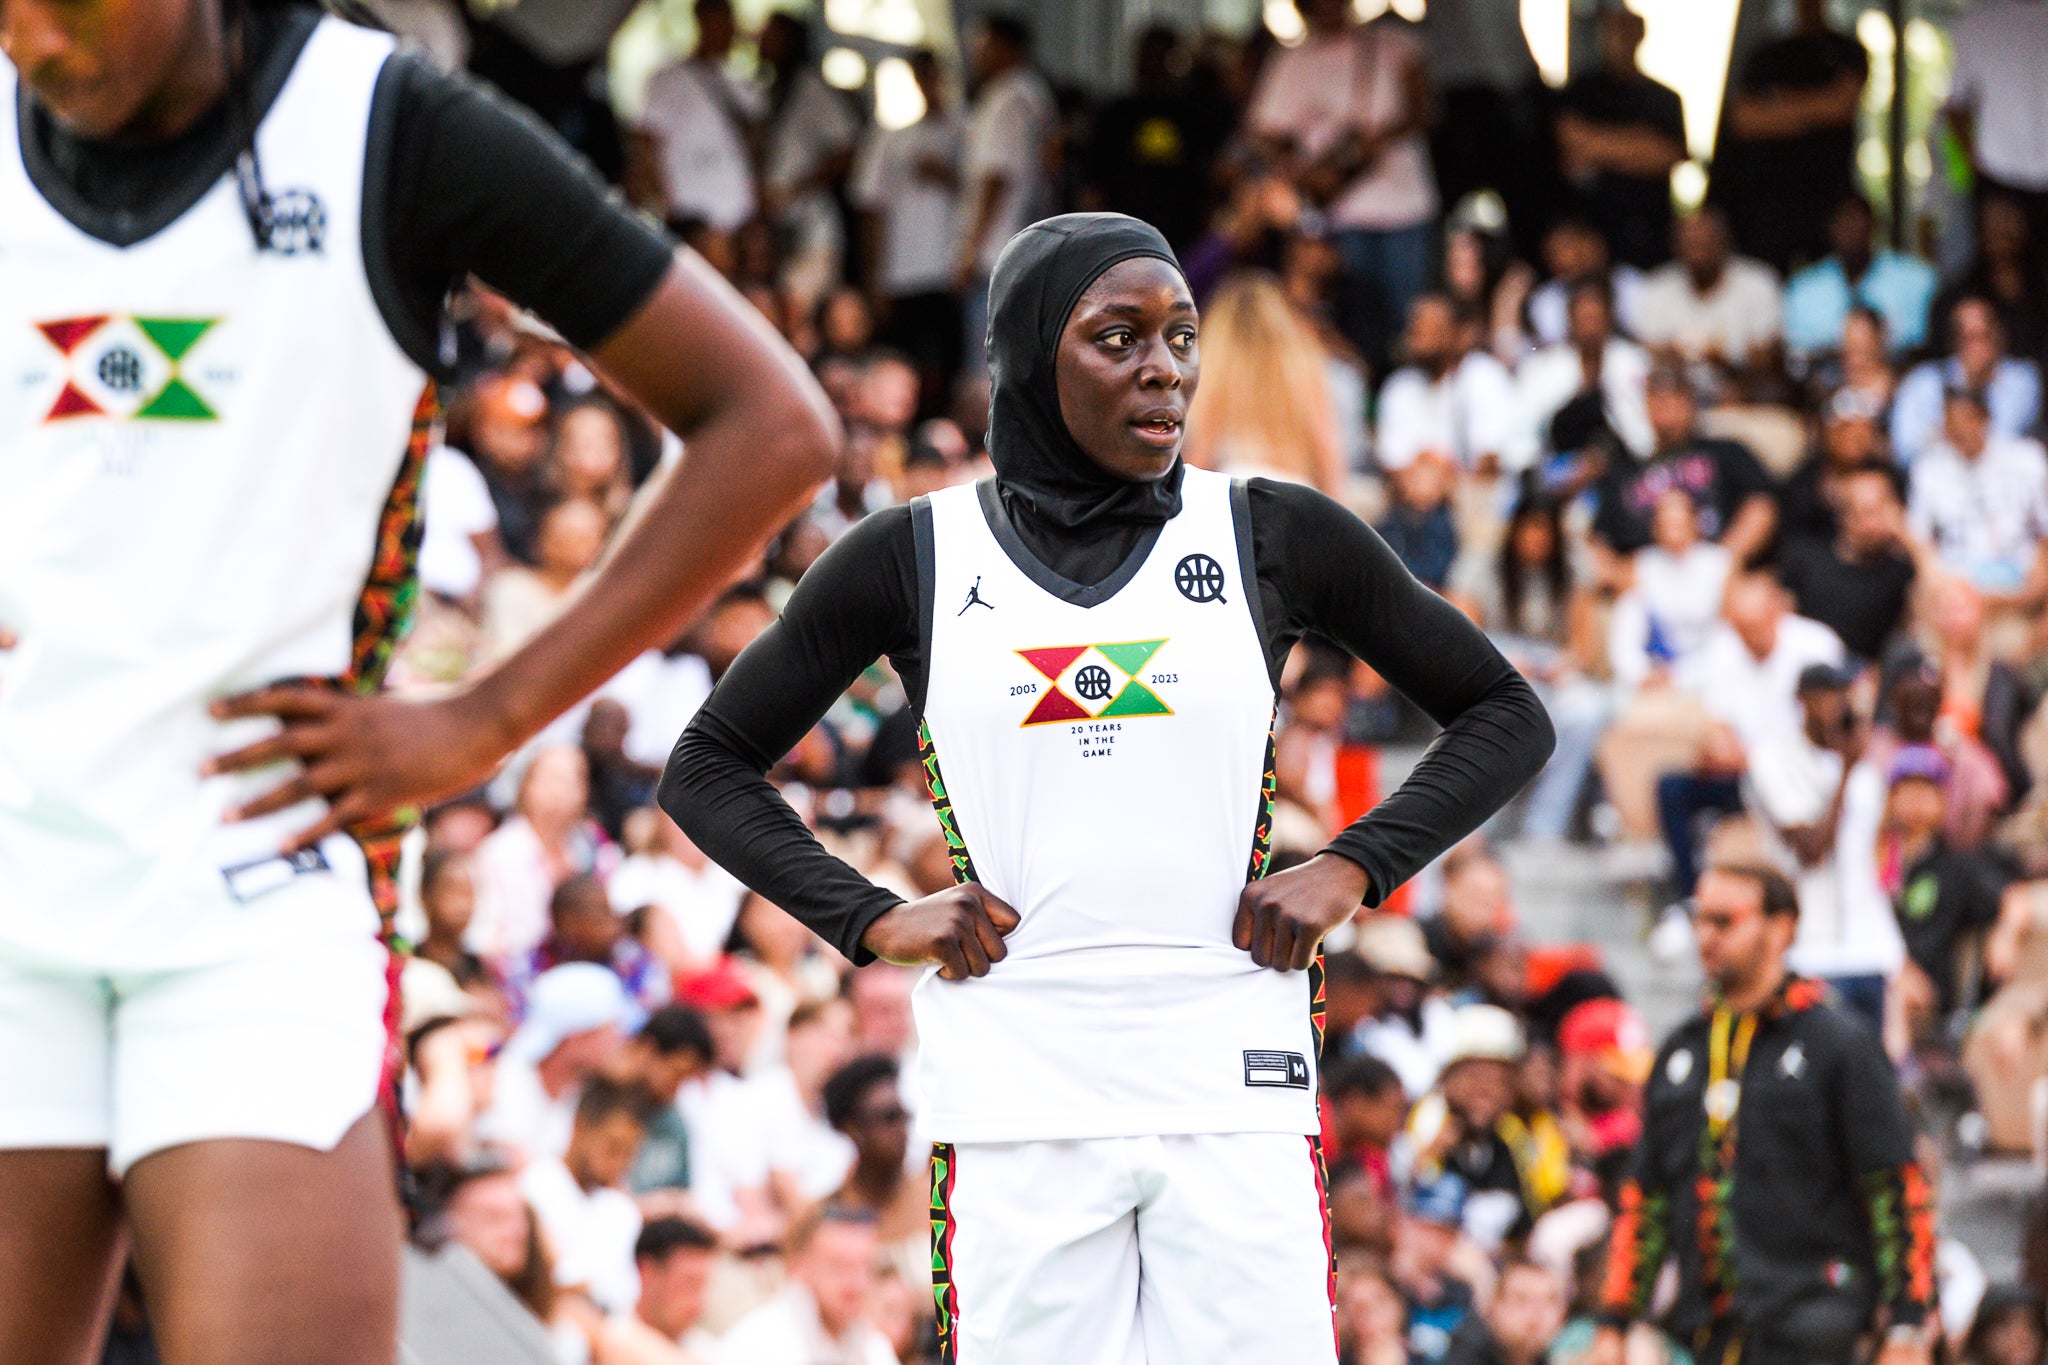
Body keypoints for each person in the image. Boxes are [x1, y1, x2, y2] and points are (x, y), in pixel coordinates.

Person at [0, 0, 836, 1360]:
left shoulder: (386, 125)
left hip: (249, 889)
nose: (34, 39)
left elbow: (774, 425)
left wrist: (481, 721)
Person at [662, 214, 1553, 1363]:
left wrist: (1353, 865)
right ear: (1029, 357)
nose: (1164, 367)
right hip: (1017, 1091)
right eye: (1117, 337)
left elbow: (1505, 713)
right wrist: (870, 917)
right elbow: (705, 767)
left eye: (1180, 336)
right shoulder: (912, 554)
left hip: (1230, 1080)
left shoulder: (1266, 531)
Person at [1594, 862, 1937, 1365]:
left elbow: (1895, 1187)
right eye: (1699, 920)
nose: (1706, 936)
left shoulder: (1839, 1044)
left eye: (1724, 921)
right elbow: (1646, 1200)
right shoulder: (1681, 1050)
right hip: (1710, 1333)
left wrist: (1908, 1325)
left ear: (1781, 927)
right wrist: (1614, 1322)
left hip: (1817, 1327)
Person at [1248, 0, 1439, 367]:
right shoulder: (1294, 59)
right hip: (1340, 212)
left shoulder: (1393, 43)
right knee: (1353, 325)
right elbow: (1264, 131)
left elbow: (1424, 109)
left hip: (1404, 206)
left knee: (1408, 323)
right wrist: (1304, 170)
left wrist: (1379, 140)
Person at [1743, 665, 1903, 1032]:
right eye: (1825, 695)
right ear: (1803, 700)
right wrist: (1846, 771)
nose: (1835, 704)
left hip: (1870, 945)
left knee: (1871, 1058)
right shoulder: (1773, 759)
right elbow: (1811, 850)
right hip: (1810, 947)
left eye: (1840, 694)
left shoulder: (1864, 765)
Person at [1714, 0, 1868, 275]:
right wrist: (1816, 109)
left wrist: (1779, 106)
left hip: (1827, 197)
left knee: (1825, 284)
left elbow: (1842, 105)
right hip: (1769, 202)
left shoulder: (1846, 51)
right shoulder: (1767, 55)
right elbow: (1744, 120)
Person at [851, 48, 965, 409]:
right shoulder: (890, 139)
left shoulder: (965, 130)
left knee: (948, 369)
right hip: (901, 272)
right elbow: (872, 209)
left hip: (947, 271)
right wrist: (874, 276)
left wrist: (948, 176)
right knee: (903, 366)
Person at [1182, 270, 1348, 493]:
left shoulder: (1218, 373)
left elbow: (1201, 458)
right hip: (1296, 493)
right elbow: (1327, 455)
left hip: (1235, 494)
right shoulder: (1302, 370)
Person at [952, 15, 1055, 356]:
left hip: (996, 250)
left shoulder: (1008, 97)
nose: (976, 54)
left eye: (985, 45)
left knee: (990, 357)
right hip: (1023, 243)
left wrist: (971, 248)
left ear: (1008, 48)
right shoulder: (1034, 92)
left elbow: (997, 176)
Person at [1552, 8, 1686, 271]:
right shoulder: (1580, 93)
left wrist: (1599, 146)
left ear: (1640, 33)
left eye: (1626, 29)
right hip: (1595, 235)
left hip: (1652, 235)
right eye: (1613, 29)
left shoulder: (1664, 98)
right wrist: (1638, 144)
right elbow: (1573, 145)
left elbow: (1667, 156)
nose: (1620, 38)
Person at [1081, 25, 1229, 251]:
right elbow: (1094, 183)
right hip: (1123, 237)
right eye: (1147, 56)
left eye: (1160, 57)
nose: (1152, 65)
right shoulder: (1116, 114)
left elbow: (1211, 178)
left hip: (1182, 239)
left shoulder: (1195, 116)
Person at [518, 1076, 652, 1316]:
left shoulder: (622, 1212)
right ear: (580, 1127)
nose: (619, 1162)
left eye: (629, 1154)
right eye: (613, 1146)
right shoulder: (535, 1182)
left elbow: (622, 1299)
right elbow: (548, 1281)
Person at [1907, 387, 2048, 608]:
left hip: (2021, 583)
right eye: (1952, 422)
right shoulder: (1928, 469)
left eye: (1968, 418)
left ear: (1986, 418)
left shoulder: (2026, 459)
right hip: (1955, 588)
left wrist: (2035, 585)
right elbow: (1919, 538)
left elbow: (2045, 531)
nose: (1961, 429)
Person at [631, 0, 761, 235]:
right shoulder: (667, 81)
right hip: (689, 213)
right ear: (702, 22)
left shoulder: (742, 85)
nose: (729, 31)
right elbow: (646, 144)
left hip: (739, 215)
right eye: (722, 23)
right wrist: (660, 197)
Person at [1633, 208, 1785, 392]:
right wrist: (1678, 354)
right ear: (1676, 247)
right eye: (1691, 244)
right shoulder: (1657, 288)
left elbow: (1768, 359)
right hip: (1678, 396)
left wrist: (1724, 360)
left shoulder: (1758, 283)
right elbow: (1647, 354)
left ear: (1725, 242)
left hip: (1744, 395)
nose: (1698, 253)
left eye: (1705, 243)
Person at [1375, 293, 1523, 479]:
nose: (1419, 331)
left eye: (1432, 326)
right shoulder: (1399, 385)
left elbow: (1491, 459)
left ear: (1459, 333)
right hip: (1413, 489)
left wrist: (1443, 475)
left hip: (1473, 488)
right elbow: (1392, 462)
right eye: (1416, 323)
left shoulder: (1482, 374)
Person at [1784, 196, 1939, 361]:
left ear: (1874, 225)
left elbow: (1928, 349)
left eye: (1856, 220)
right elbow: (1797, 357)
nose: (1850, 230)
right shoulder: (1803, 288)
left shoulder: (1918, 279)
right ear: (1829, 229)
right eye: (1842, 221)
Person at [1891, 297, 2042, 465]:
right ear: (1953, 341)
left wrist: (1975, 382)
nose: (1976, 346)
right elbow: (1905, 448)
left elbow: (2006, 436)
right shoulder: (1925, 381)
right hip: (1941, 473)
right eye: (1967, 337)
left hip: (2002, 474)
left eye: (1983, 336)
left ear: (1999, 335)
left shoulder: (2022, 378)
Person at [600, 1216, 721, 1364]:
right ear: (646, 1271)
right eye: (689, 1283)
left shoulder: (707, 1350)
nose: (699, 1301)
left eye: (703, 1286)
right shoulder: (604, 1337)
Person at [1441, 1258, 1570, 1365]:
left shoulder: (1551, 1357)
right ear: (1494, 1305)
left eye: (1549, 1301)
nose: (1536, 1313)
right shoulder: (1465, 1353)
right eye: (1521, 1299)